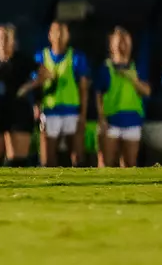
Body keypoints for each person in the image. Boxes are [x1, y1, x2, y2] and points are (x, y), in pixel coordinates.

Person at [0, 24, 37, 166]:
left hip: (18, 111)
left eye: (6, 39)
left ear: (13, 41)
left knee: (16, 161)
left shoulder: (22, 60)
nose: (3, 43)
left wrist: (27, 87)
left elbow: (45, 74)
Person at [36, 21, 89, 168]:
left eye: (63, 32)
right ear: (49, 35)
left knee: (77, 157)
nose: (59, 35)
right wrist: (37, 106)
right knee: (47, 160)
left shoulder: (77, 57)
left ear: (68, 36)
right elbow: (35, 86)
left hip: (71, 111)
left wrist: (83, 115)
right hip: (50, 111)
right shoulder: (41, 57)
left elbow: (83, 88)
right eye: (56, 31)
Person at [95, 26, 149, 169]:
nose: (122, 45)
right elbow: (98, 95)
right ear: (112, 45)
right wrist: (101, 118)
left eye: (126, 41)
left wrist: (133, 79)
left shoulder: (136, 67)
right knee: (106, 163)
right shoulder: (106, 68)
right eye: (119, 42)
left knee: (130, 165)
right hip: (111, 122)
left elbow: (147, 91)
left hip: (132, 121)